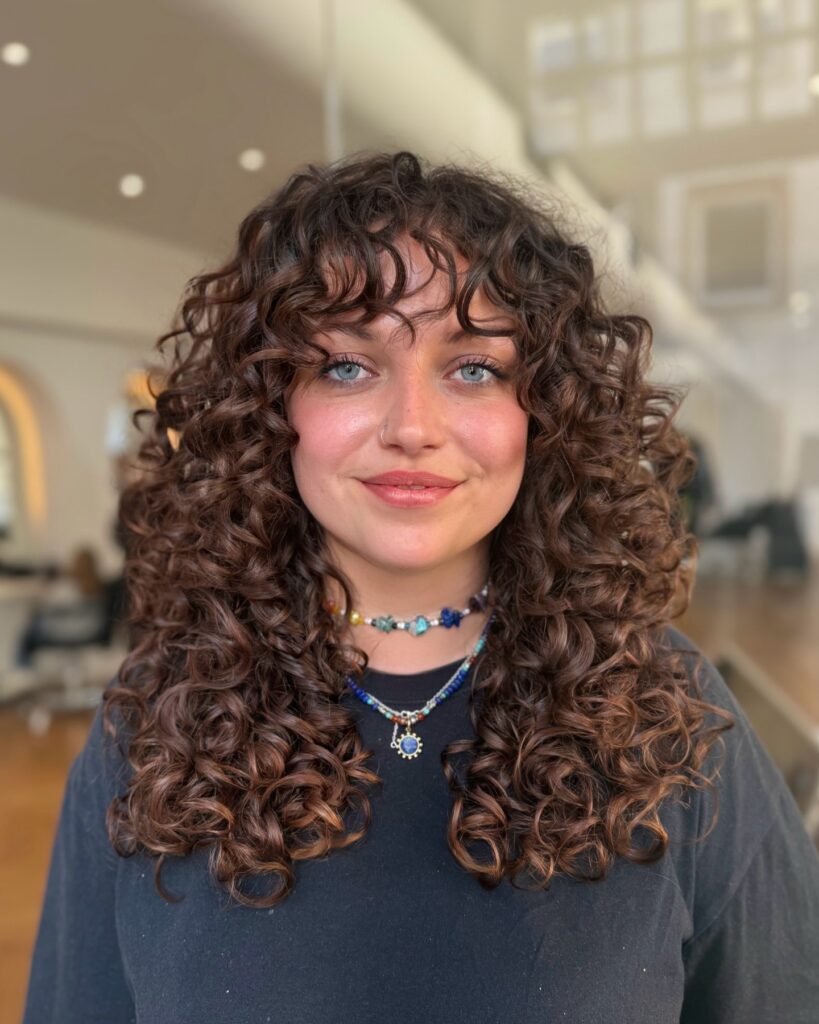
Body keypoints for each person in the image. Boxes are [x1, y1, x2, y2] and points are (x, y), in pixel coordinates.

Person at [23, 151, 819, 1023]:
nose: (412, 427)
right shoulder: (151, 720)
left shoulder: (663, 711)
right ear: (269, 407)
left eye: (473, 367)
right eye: (346, 366)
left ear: (544, 408)